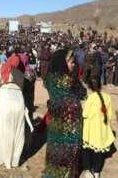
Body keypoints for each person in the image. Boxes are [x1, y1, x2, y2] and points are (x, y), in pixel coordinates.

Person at [0, 56, 33, 169]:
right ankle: (13, 160)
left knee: (1, 128)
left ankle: (1, 156)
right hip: (19, 100)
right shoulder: (20, 74)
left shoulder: (3, 66)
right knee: (15, 130)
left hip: (4, 98)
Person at [44, 49, 87, 177]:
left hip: (55, 114)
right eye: (71, 62)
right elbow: (82, 93)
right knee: (69, 147)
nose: (73, 65)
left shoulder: (49, 76)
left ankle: (54, 171)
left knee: (55, 145)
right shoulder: (68, 78)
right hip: (70, 117)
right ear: (63, 61)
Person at [82, 75, 115, 178]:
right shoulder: (107, 97)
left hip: (90, 130)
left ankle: (87, 170)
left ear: (89, 87)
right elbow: (109, 116)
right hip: (102, 130)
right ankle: (97, 171)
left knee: (87, 151)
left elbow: (85, 114)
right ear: (101, 84)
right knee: (99, 153)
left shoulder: (90, 98)